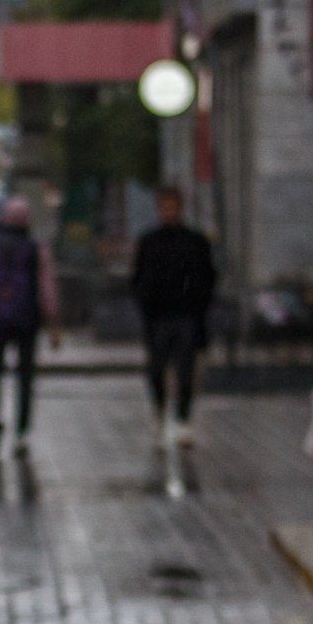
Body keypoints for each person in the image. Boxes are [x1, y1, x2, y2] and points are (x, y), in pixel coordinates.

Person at [130, 186, 218, 446]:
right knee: (156, 368)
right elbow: (138, 278)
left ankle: (183, 418)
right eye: (164, 206)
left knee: (186, 369)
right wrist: (146, 304)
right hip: (158, 317)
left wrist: (199, 304)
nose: (168, 211)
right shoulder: (150, 241)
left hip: (187, 315)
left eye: (173, 206)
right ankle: (159, 412)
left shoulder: (195, 241)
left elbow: (207, 277)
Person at [0, 195, 59, 453]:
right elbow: (46, 287)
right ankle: (21, 433)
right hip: (26, 319)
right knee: (25, 376)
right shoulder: (35, 248)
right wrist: (53, 321)